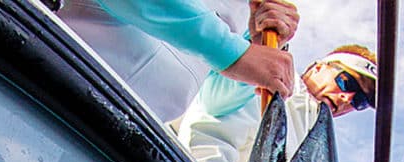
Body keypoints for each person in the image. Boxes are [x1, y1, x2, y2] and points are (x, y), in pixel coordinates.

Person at [177, 42, 377, 162]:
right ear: (318, 68)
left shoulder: (318, 144)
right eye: (346, 82)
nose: (346, 98)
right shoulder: (267, 83)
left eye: (360, 101)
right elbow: (206, 140)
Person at [58, 1, 298, 120]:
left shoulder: (247, 13)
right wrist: (233, 53)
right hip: (50, 83)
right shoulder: (226, 43)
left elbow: (214, 104)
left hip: (125, 141)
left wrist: (256, 51)